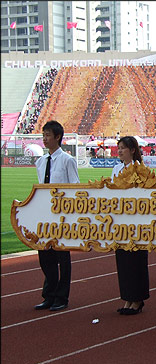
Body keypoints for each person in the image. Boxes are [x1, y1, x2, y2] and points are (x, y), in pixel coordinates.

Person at [34, 120, 80, 311]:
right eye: (43, 135)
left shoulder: (67, 161)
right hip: (44, 216)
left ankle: (61, 296)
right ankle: (49, 294)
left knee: (62, 257)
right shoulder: (40, 162)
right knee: (45, 256)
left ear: (57, 137)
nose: (44, 139)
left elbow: (75, 187)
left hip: (62, 216)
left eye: (47, 135)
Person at [112, 136, 149, 315]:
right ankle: (127, 297)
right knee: (123, 261)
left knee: (136, 261)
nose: (120, 151)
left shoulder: (142, 170)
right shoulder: (116, 169)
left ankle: (138, 298)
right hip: (120, 221)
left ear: (132, 150)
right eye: (118, 148)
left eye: (123, 148)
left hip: (136, 222)